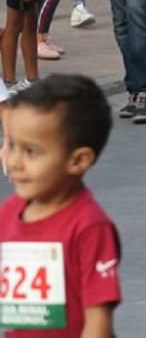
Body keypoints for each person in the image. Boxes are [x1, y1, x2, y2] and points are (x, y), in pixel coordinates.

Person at [0, 74, 121, 337]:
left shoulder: (89, 226)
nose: (15, 162)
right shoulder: (7, 214)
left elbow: (98, 322)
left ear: (78, 160)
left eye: (31, 151)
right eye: (11, 145)